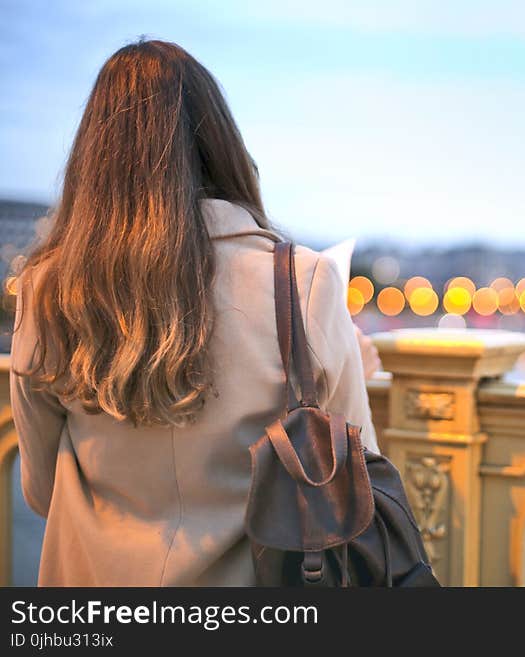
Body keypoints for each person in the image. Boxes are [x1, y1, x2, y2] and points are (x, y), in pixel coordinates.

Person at [9, 39, 380, 586]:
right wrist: (355, 361)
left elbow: (41, 492)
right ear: (221, 145)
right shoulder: (302, 282)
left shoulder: (46, 288)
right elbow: (359, 476)